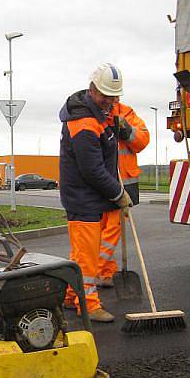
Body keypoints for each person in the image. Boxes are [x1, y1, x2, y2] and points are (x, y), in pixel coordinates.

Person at [59, 63, 132, 323]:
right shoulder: (84, 122)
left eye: (114, 97)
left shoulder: (102, 113)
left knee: (81, 252)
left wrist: (117, 126)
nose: (110, 101)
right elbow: (92, 170)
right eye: (105, 96)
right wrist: (118, 193)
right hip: (82, 196)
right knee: (87, 256)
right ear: (92, 90)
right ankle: (88, 304)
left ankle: (70, 295)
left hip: (91, 195)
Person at [96, 101, 149, 288]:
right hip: (102, 181)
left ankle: (99, 268)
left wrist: (125, 129)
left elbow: (143, 140)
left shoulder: (126, 113)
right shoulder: (95, 113)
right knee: (101, 229)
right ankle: (103, 271)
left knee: (112, 229)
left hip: (124, 183)